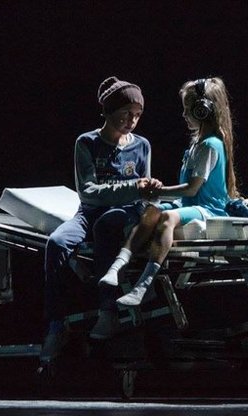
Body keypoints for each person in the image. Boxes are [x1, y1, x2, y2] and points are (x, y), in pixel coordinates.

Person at [41, 76, 161, 362]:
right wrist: (134, 186)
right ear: (108, 111)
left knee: (106, 225)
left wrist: (150, 192)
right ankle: (56, 326)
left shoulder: (142, 145)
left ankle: (108, 312)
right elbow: (89, 192)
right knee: (56, 243)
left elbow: (144, 194)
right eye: (126, 113)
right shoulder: (87, 142)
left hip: (123, 213)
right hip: (89, 211)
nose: (132, 120)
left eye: (137, 115)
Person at [98, 77, 239, 310]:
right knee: (151, 211)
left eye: (187, 109)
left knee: (167, 217)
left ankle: (144, 285)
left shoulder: (210, 145)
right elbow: (185, 194)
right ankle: (119, 264)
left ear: (202, 110)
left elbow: (192, 189)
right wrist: (154, 196)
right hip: (190, 204)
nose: (184, 114)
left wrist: (158, 190)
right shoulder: (196, 144)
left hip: (209, 209)